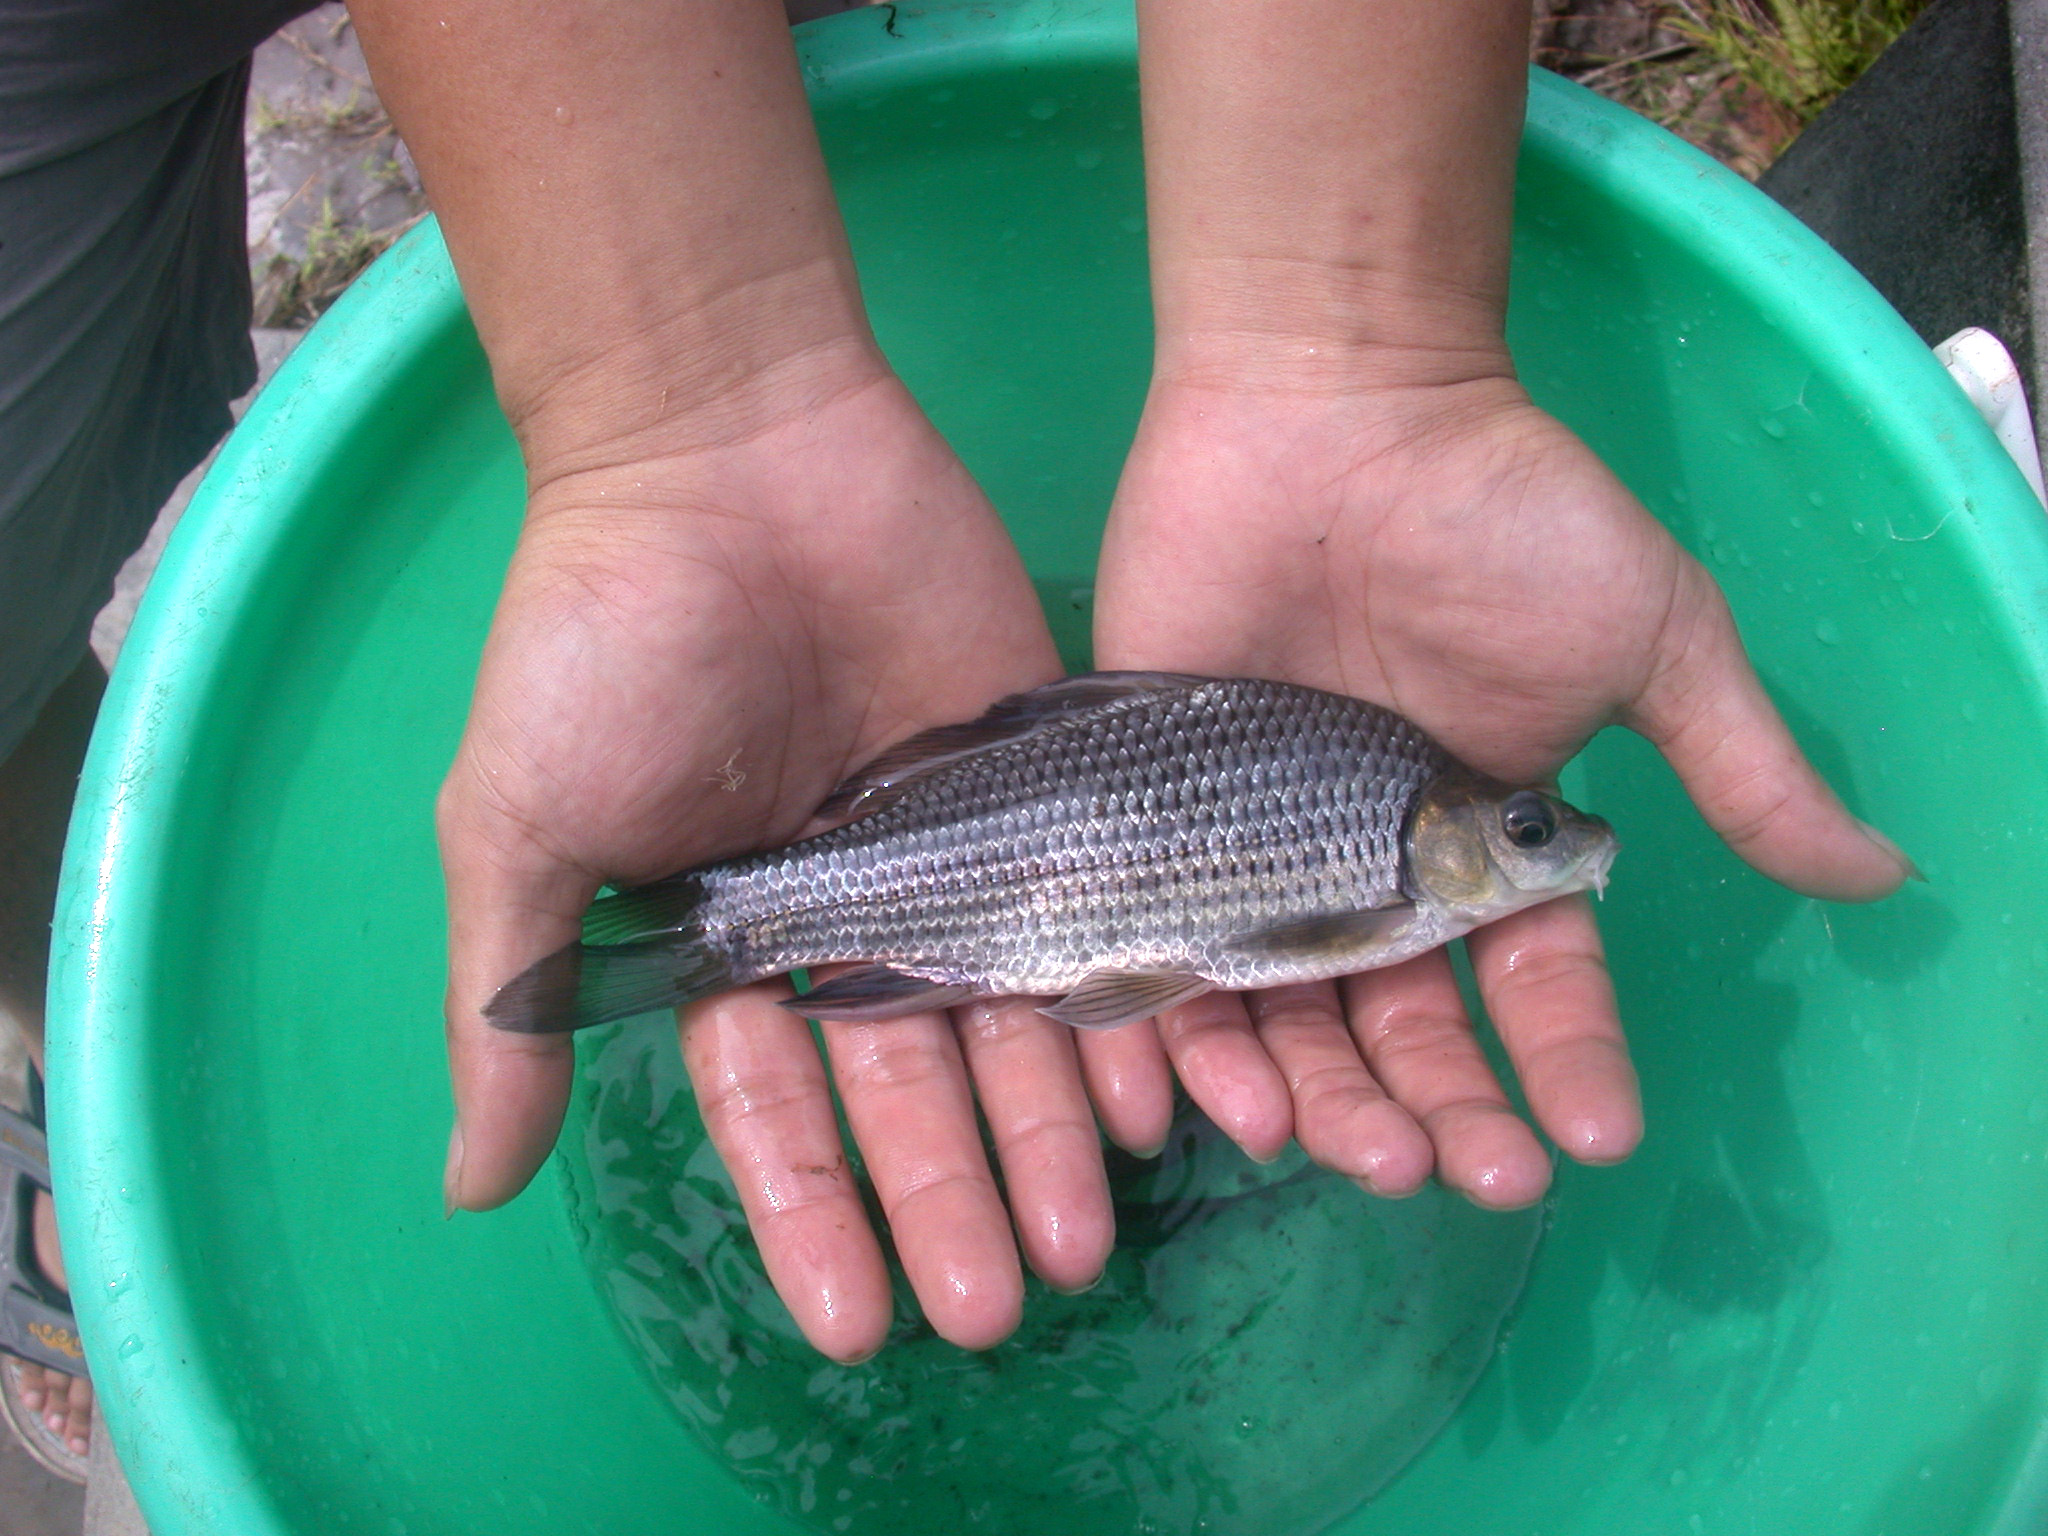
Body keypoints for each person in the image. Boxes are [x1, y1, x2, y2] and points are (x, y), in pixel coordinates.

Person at [1, 0, 1912, 1473]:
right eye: (1522, 837)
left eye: (1535, 838)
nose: (1548, 844)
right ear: (1440, 832)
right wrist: (670, 405)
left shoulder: (1379, 809)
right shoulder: (1383, 838)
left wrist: (1357, 327)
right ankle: (61, 1073)